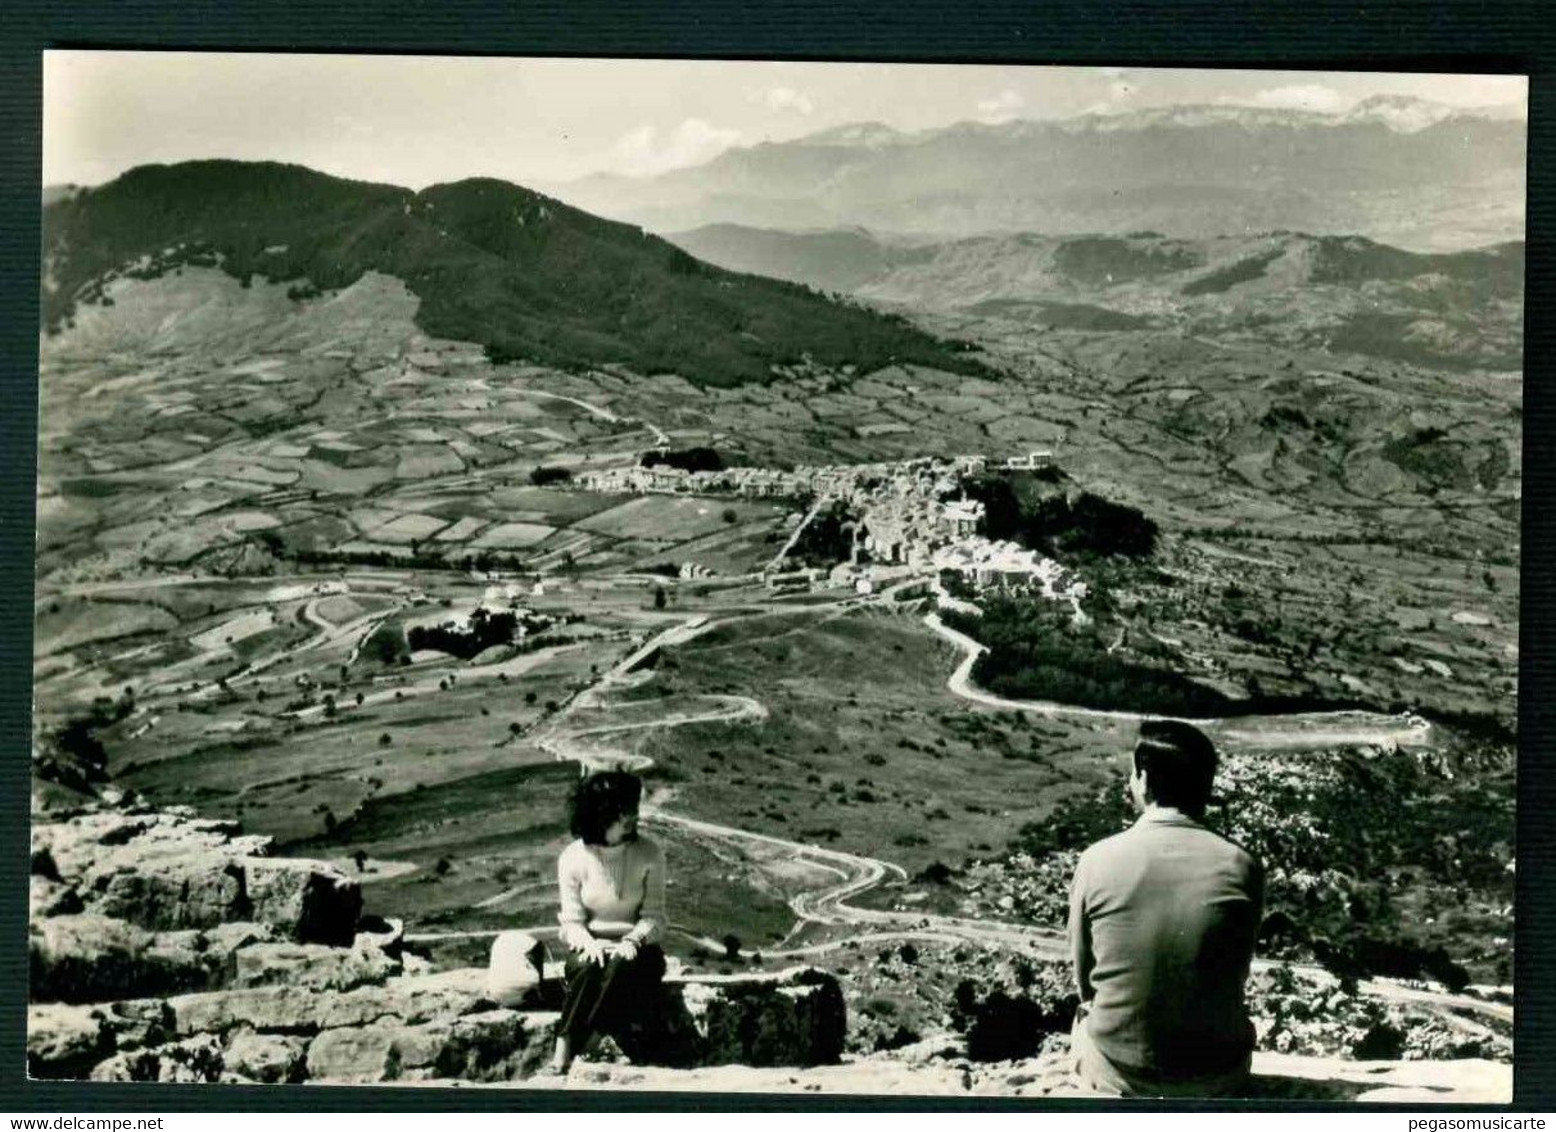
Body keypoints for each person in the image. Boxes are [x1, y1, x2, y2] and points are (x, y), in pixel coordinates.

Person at [1067, 719, 1264, 1097]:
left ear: (1142, 778)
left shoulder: (1097, 859)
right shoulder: (1243, 865)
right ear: (1206, 785)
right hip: (1217, 1077)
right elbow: (1233, 972)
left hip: (1119, 1072)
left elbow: (1086, 980)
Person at [548, 769, 668, 1075]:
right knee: (589, 967)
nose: (633, 816)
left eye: (633, 808)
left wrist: (633, 940)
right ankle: (565, 1044)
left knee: (622, 966)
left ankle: (586, 1042)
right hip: (591, 944)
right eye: (622, 810)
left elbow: (655, 916)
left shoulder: (650, 853)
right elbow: (572, 921)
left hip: (638, 950)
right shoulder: (572, 858)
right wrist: (588, 943)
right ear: (599, 814)